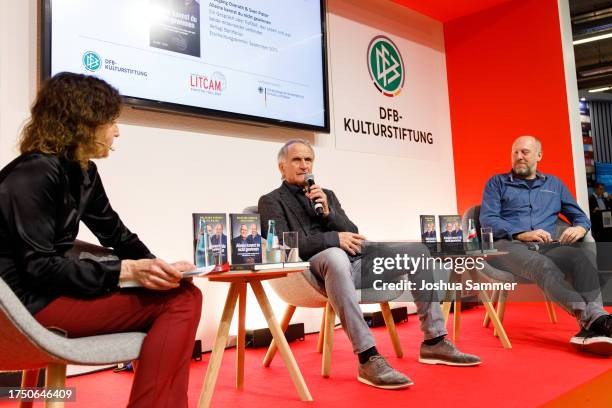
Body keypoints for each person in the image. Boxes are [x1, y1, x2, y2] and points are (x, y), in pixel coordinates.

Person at [0, 72, 203, 407]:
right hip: (25, 306)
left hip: (48, 293)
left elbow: (116, 233)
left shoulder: (83, 171)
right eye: (111, 120)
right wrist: (128, 272)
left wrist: (158, 268)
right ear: (83, 121)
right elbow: (38, 268)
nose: (117, 131)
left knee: (180, 292)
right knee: (181, 301)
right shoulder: (33, 173)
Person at [258, 139, 480, 390]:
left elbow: (353, 232)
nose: (304, 165)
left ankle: (434, 341)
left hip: (355, 263)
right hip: (313, 269)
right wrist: (333, 239)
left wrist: (329, 213)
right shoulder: (270, 201)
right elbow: (284, 245)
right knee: (334, 254)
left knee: (418, 251)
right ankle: (367, 357)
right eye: (297, 160)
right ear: (281, 167)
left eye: (308, 160)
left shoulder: (326, 195)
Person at [480, 135, 611, 356]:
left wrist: (579, 228)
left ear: (539, 155)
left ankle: (595, 322)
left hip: (548, 245)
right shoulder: (497, 183)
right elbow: (488, 219)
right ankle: (593, 319)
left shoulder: (554, 184)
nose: (519, 156)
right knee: (541, 265)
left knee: (581, 258)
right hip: (508, 246)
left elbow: (580, 217)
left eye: (525, 152)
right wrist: (522, 234)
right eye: (515, 152)